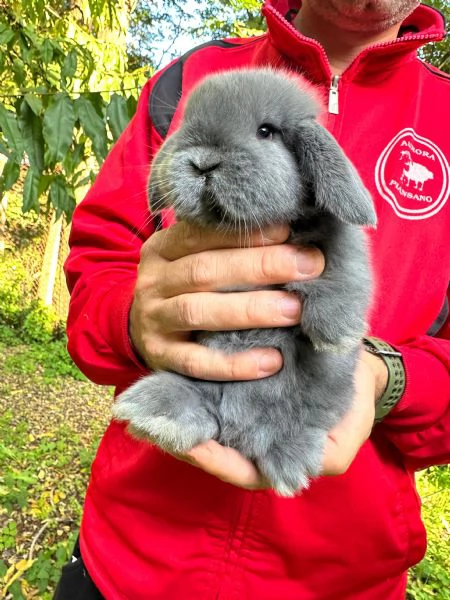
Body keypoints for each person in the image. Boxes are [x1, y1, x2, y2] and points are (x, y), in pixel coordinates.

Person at [55, 0, 450, 598]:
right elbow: (98, 261)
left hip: (339, 579)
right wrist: (135, 318)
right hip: (132, 563)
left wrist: (386, 378)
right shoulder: (191, 78)